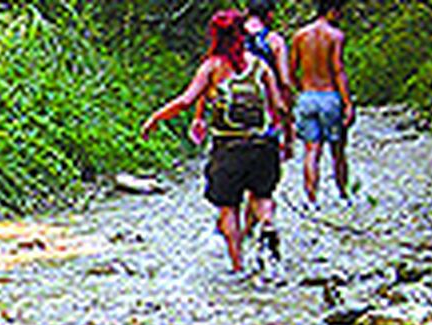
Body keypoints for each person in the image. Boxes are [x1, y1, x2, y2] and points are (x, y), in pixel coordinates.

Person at [141, 9, 288, 276]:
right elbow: (278, 105)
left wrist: (155, 117)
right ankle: (267, 224)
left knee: (228, 206)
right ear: (241, 34)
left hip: (228, 148)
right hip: (262, 145)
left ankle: (237, 266)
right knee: (262, 196)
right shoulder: (259, 65)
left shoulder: (212, 67)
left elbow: (186, 101)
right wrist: (284, 137)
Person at [289, 0, 355, 204]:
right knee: (337, 149)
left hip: (307, 96)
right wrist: (347, 102)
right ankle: (343, 194)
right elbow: (338, 70)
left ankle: (311, 198)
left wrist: (300, 89)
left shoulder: (300, 36)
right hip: (329, 95)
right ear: (332, 11)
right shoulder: (335, 36)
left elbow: (291, 71)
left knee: (311, 149)